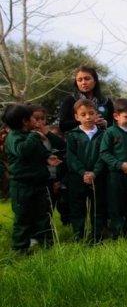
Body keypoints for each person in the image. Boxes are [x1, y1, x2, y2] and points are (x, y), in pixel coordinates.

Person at [2, 104, 58, 251]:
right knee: (23, 218)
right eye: (34, 118)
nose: (37, 121)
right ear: (25, 121)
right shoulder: (13, 137)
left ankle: (47, 244)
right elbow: (22, 151)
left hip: (39, 183)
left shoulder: (30, 135)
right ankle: (20, 248)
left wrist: (48, 157)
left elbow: (38, 151)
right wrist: (34, 136)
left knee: (43, 216)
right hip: (22, 185)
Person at [99, 98, 127, 239]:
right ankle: (117, 234)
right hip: (115, 176)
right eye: (126, 116)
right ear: (116, 116)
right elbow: (104, 153)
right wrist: (120, 165)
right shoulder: (110, 132)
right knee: (116, 205)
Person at [65, 99, 107, 243]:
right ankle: (79, 236)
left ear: (97, 115)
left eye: (91, 113)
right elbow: (71, 157)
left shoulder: (103, 135)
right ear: (77, 117)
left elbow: (104, 155)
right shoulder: (72, 135)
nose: (88, 117)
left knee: (98, 207)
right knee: (78, 208)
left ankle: (98, 237)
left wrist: (94, 172)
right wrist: (83, 172)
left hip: (98, 177)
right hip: (77, 178)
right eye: (83, 114)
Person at [31, 105, 68, 232]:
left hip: (53, 178)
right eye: (36, 119)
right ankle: (35, 234)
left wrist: (47, 133)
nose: (40, 122)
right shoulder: (27, 136)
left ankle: (47, 234)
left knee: (49, 208)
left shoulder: (49, 135)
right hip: (36, 178)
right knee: (36, 209)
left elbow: (63, 146)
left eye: (42, 118)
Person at [58, 65, 114, 133]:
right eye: (79, 80)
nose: (83, 83)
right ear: (76, 83)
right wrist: (86, 121)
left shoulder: (106, 101)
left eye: (87, 79)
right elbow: (62, 126)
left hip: (103, 140)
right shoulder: (70, 100)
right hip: (78, 140)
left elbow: (116, 123)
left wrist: (106, 123)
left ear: (95, 81)